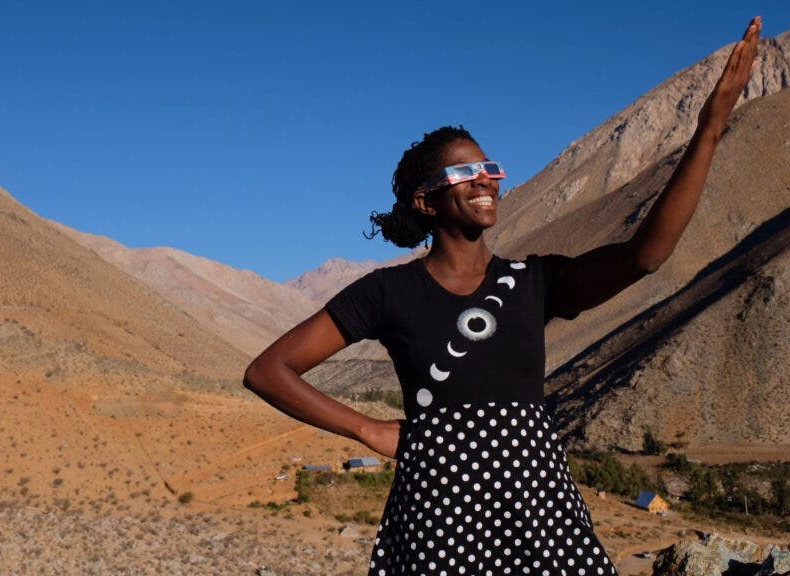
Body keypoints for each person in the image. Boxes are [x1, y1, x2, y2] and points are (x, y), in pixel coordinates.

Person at [243, 17, 762, 575]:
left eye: (489, 168)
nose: (485, 179)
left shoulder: (535, 282)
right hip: (439, 515)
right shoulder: (386, 292)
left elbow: (646, 255)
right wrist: (368, 430)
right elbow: (268, 371)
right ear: (426, 202)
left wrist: (710, 129)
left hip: (540, 509)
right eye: (465, 172)